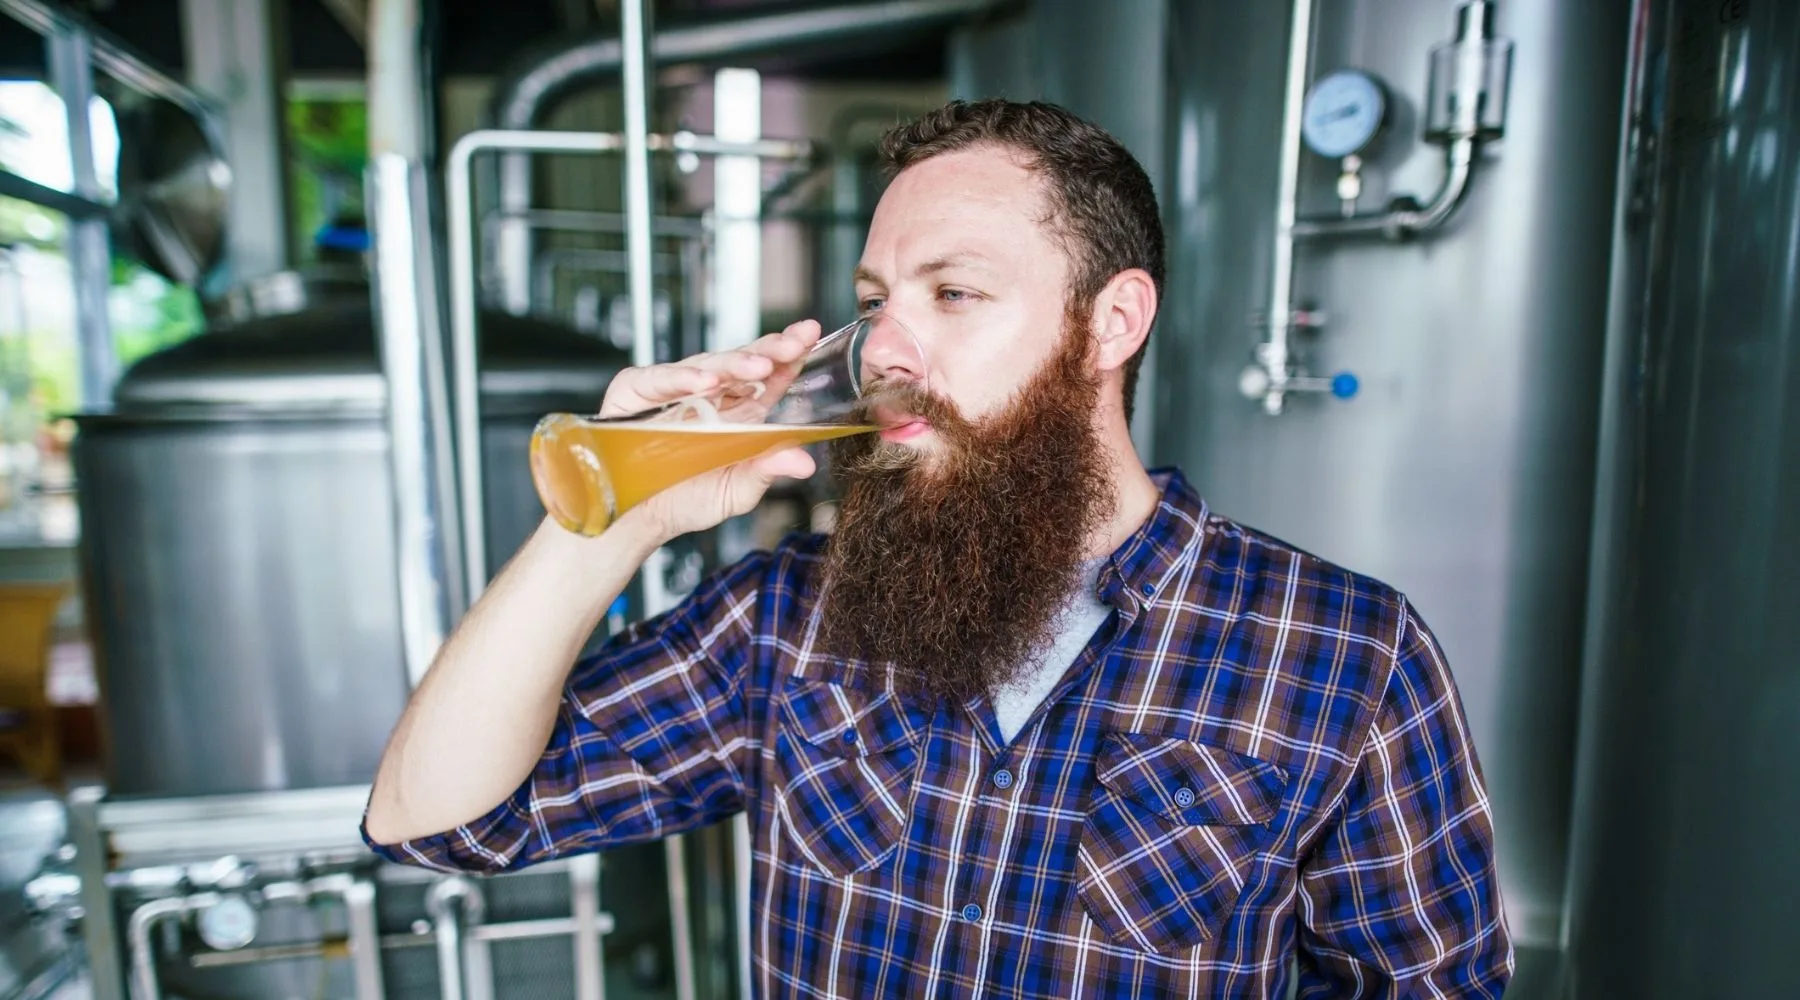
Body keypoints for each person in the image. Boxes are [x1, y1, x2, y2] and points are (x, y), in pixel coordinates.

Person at [362, 98, 1513, 998]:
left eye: (953, 293)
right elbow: (438, 821)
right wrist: (612, 520)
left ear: (1112, 321)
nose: (884, 353)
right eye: (876, 301)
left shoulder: (1346, 653)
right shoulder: (786, 616)